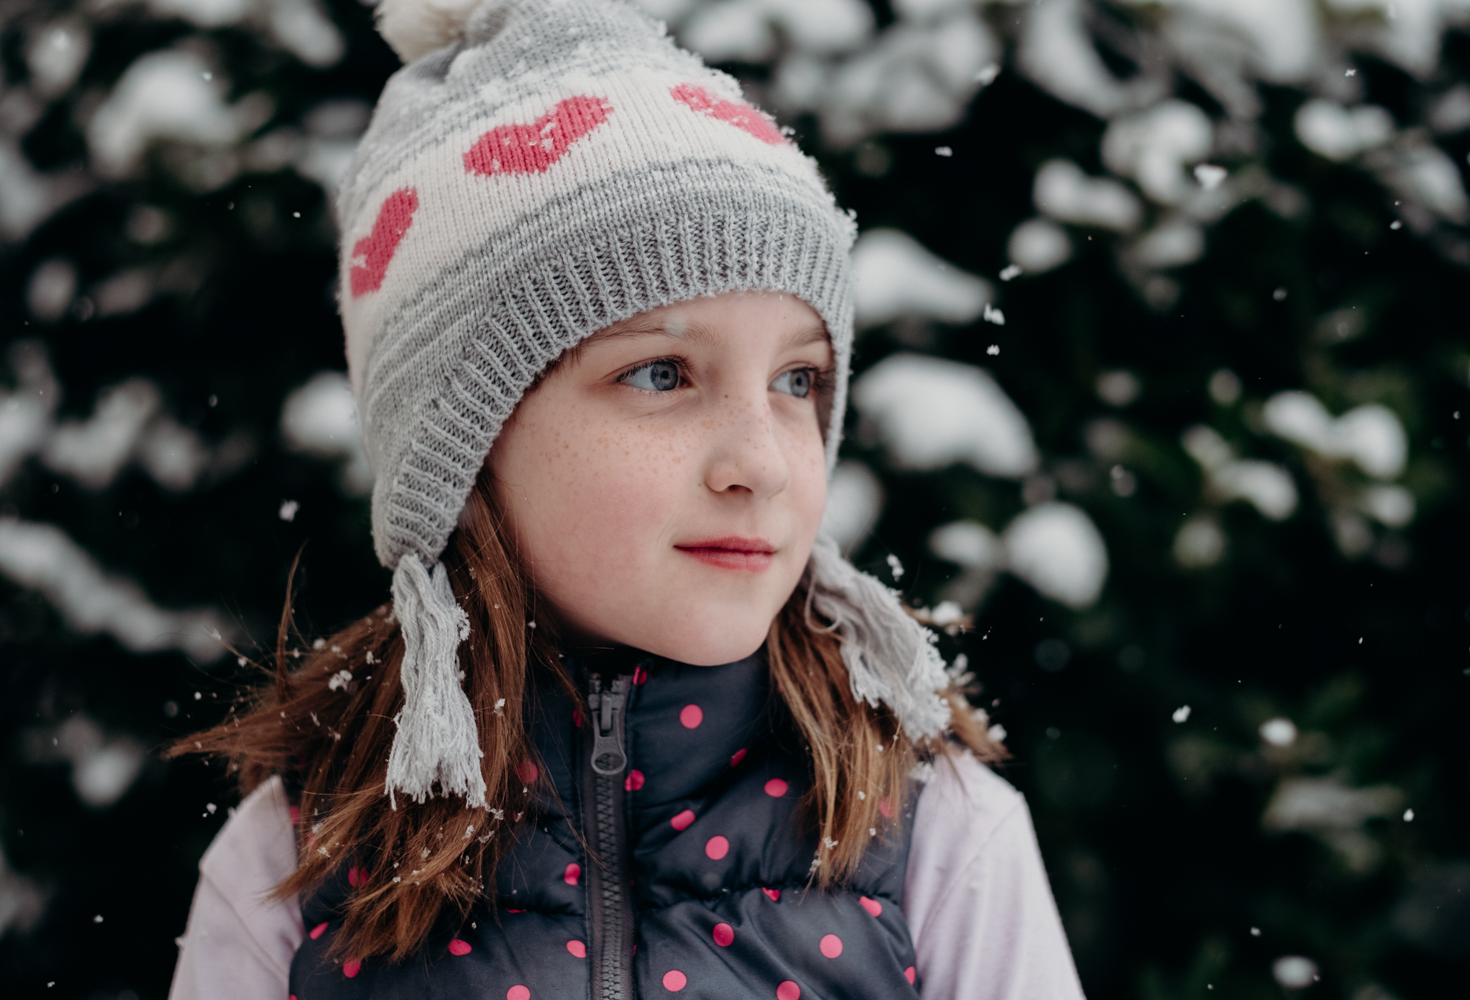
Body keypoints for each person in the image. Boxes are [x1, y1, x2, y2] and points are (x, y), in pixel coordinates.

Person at [167, 0, 1086, 996]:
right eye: (662, 375)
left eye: (798, 381)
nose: (764, 464)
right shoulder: (303, 855)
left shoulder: (928, 833)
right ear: (459, 444)